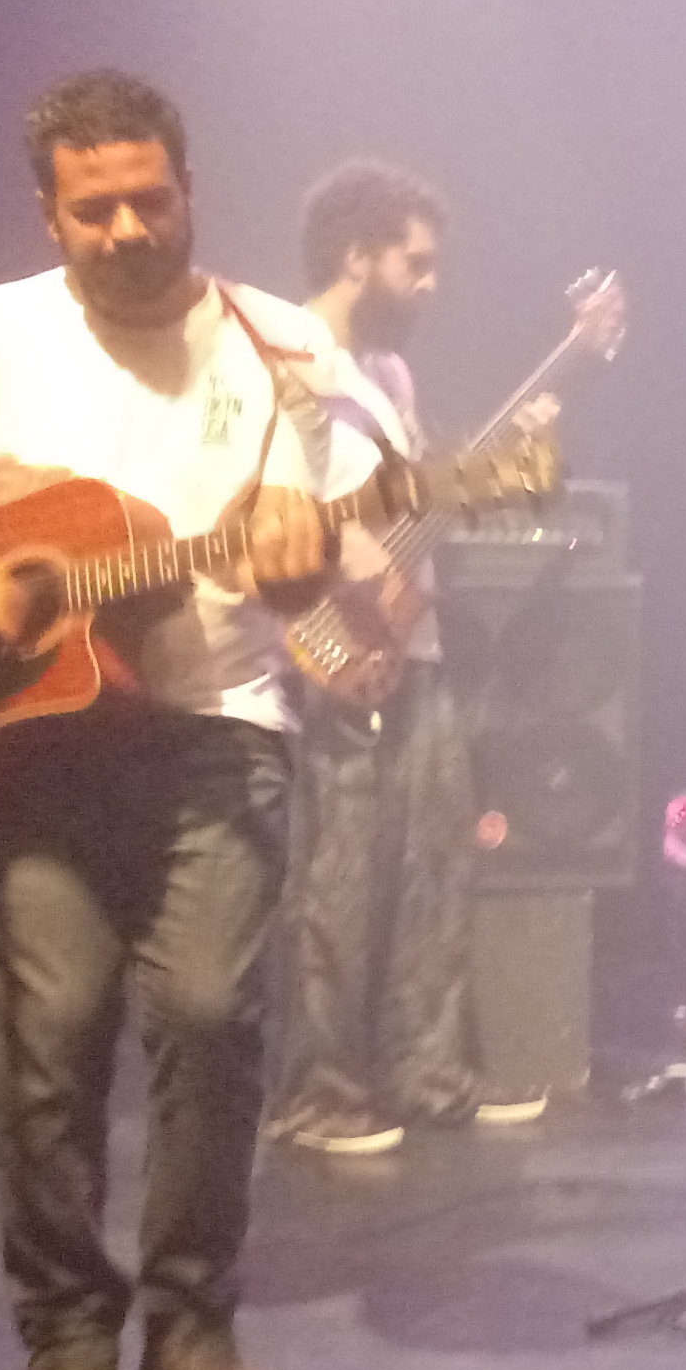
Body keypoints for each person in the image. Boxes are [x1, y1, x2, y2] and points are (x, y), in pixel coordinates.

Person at [0, 70, 376, 1370]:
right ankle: (67, 1348)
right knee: (46, 1042)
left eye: (150, 200)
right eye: (94, 209)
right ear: (49, 215)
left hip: (219, 720)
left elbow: (318, 574)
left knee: (211, 1021)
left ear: (189, 190)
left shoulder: (286, 350)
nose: (127, 229)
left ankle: (193, 1337)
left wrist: (304, 561)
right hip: (34, 739)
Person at [260, 160, 550, 1159]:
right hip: (319, 646)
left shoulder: (389, 377)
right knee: (333, 882)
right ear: (357, 256)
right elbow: (253, 498)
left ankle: (427, 1073)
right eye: (414, 265)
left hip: (407, 643)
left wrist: (499, 470)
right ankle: (320, 1093)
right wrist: (332, 549)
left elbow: (416, 510)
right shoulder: (287, 360)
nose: (431, 285)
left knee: (434, 860)